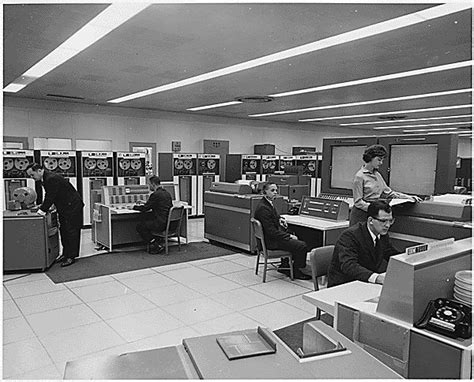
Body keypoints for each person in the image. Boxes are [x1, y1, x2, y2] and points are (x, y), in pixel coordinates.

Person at [327, 200, 400, 287]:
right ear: (370, 220)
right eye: (383, 221)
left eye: (390, 221)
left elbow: (391, 253)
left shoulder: (382, 234)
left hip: (365, 283)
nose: (388, 225)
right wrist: (377, 278)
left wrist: (408, 258)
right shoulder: (350, 236)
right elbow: (349, 266)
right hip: (344, 285)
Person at [26, 163, 84, 267]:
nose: (32, 178)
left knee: (71, 231)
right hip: (65, 206)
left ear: (39, 170)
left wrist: (42, 210)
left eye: (32, 175)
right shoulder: (46, 178)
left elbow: (50, 196)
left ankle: (71, 256)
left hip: (72, 207)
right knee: (64, 230)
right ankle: (65, 254)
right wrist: (44, 206)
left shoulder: (51, 178)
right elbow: (50, 194)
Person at [350, 144, 422, 226]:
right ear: (370, 158)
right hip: (361, 214)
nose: (381, 163)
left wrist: (409, 197)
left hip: (375, 213)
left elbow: (389, 193)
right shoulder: (359, 176)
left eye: (382, 160)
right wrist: (374, 209)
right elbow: (358, 202)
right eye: (379, 160)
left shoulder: (377, 175)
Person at [254, 182, 311, 280]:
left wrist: (280, 219)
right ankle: (296, 271)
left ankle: (284, 266)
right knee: (302, 245)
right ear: (264, 192)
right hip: (270, 242)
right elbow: (271, 232)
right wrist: (288, 236)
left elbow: (273, 217)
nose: (275, 192)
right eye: (272, 190)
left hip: (269, 239)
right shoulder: (263, 208)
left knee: (295, 235)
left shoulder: (266, 203)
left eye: (276, 190)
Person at [132, 175, 172, 254]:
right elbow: (155, 204)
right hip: (168, 223)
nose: (148, 186)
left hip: (160, 223)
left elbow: (145, 209)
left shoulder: (155, 195)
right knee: (147, 219)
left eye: (149, 184)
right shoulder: (167, 193)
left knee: (140, 226)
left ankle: (155, 244)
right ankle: (157, 241)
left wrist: (133, 207)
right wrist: (145, 202)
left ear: (153, 184)